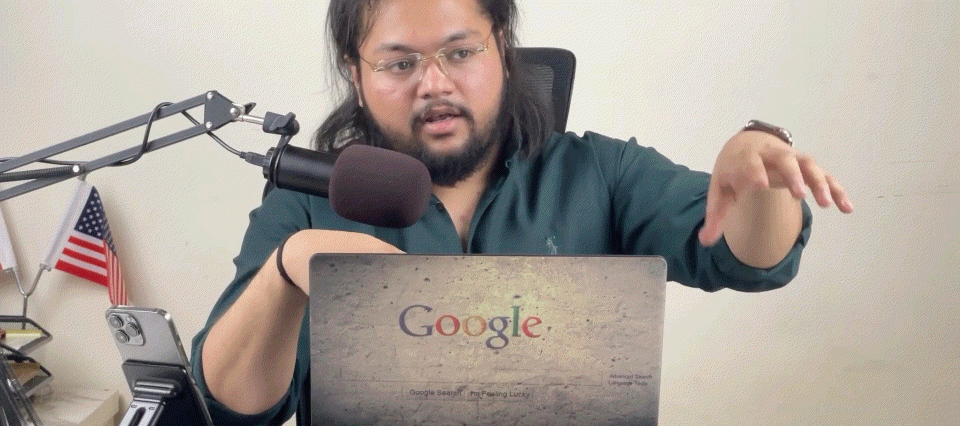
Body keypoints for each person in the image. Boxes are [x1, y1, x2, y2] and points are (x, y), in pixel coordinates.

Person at [191, 0, 854, 424]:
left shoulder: (600, 172)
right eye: (399, 63)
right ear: (356, 73)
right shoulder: (308, 199)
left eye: (461, 52)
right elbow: (228, 409)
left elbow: (750, 260)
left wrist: (761, 168)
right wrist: (287, 271)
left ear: (502, 45)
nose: (434, 83)